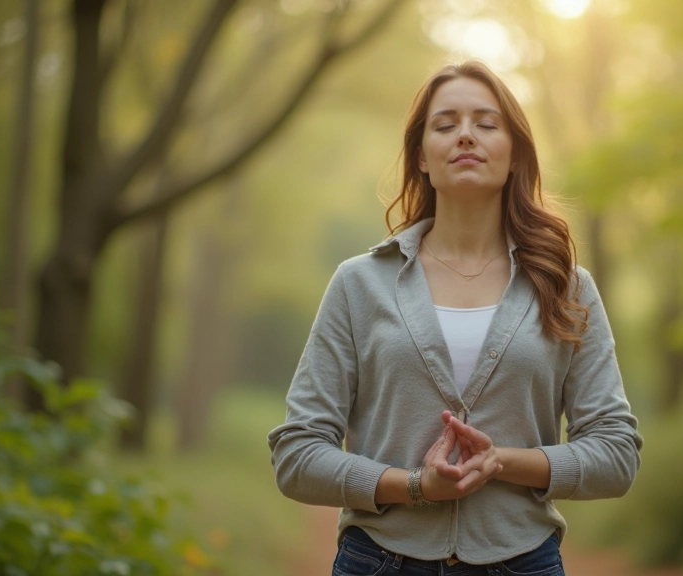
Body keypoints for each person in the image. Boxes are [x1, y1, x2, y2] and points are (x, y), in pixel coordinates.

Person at [268, 60, 641, 576]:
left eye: (486, 124)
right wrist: (415, 486)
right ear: (421, 156)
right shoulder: (358, 284)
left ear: (515, 156)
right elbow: (297, 455)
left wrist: (502, 462)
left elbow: (617, 454)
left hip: (523, 562)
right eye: (446, 125)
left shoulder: (568, 288)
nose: (466, 135)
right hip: (377, 562)